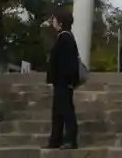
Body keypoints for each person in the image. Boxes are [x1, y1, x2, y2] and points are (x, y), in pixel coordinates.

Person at [45, 9, 80, 150]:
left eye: (54, 19)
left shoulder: (65, 38)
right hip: (61, 81)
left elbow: (65, 63)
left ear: (60, 22)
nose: (52, 22)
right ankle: (56, 139)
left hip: (64, 82)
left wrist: (67, 81)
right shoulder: (64, 37)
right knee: (59, 111)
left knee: (65, 110)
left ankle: (70, 139)